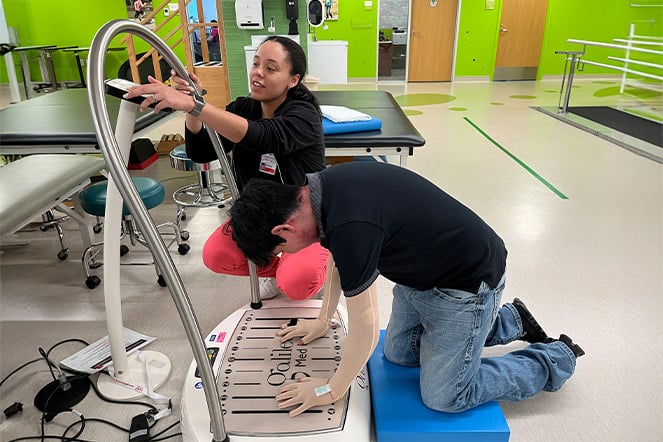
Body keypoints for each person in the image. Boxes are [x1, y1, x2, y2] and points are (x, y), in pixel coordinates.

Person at [226, 161, 585, 417]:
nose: (286, 256)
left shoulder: (351, 223)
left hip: (467, 286)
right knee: (399, 354)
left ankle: (554, 360)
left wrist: (330, 389)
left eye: (279, 252)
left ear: (282, 231)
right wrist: (322, 321)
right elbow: (338, 258)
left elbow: (365, 334)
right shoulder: (318, 190)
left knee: (445, 396)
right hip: (422, 279)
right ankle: (508, 321)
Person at [123, 36, 328, 301]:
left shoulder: (304, 114)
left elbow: (264, 136)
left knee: (299, 284)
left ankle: (316, 261)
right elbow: (202, 152)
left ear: (293, 80)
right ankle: (277, 270)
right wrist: (192, 109)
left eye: (271, 68)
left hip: (304, 219)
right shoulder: (244, 108)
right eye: (256, 64)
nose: (258, 73)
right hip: (260, 214)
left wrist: (197, 106)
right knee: (215, 255)